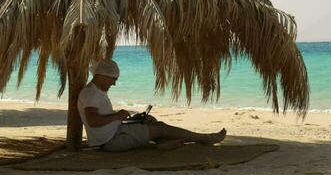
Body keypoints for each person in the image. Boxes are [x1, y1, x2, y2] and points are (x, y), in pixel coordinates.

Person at [78, 59, 226, 152]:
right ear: (103, 75)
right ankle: (205, 138)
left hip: (114, 133)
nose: (114, 83)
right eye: (113, 79)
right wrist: (118, 115)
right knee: (161, 129)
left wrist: (122, 118)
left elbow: (99, 117)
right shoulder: (91, 94)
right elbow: (93, 120)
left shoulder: (96, 91)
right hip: (112, 140)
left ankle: (162, 144)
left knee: (152, 121)